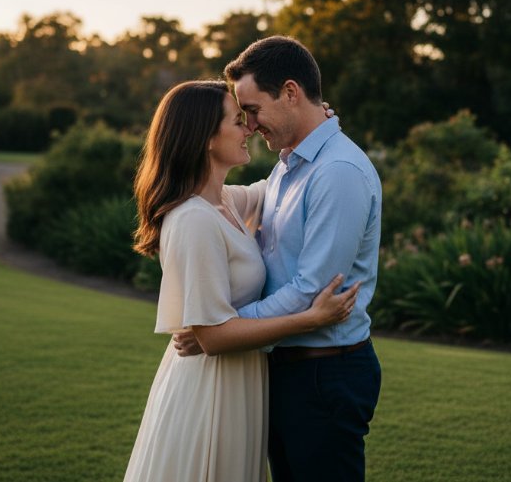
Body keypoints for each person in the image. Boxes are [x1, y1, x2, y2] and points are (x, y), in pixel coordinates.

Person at [123, 80, 359, 482]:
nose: (249, 128)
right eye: (237, 120)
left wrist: (310, 126)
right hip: (210, 391)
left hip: (240, 381)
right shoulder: (194, 219)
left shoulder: (226, 203)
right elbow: (212, 338)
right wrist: (311, 319)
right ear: (205, 139)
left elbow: (283, 182)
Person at [177, 36, 383, 481]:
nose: (249, 126)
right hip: (286, 370)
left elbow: (313, 292)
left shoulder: (337, 173)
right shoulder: (290, 165)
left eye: (252, 110)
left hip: (324, 375)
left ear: (290, 93)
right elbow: (217, 201)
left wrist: (224, 328)